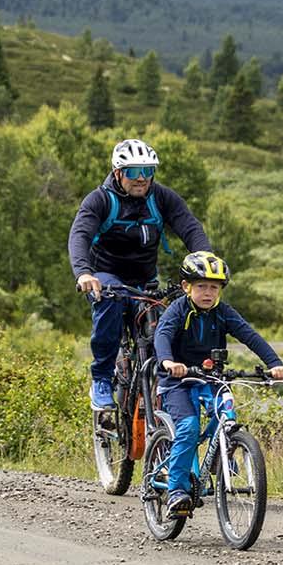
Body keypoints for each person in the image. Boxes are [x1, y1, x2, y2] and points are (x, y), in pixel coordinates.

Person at [67, 138, 212, 426]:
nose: (142, 177)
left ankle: (166, 390)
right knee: (110, 302)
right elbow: (80, 235)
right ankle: (102, 380)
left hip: (145, 280)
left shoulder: (161, 198)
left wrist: (204, 261)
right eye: (133, 171)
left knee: (163, 326)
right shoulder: (99, 200)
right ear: (118, 172)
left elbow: (189, 226)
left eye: (147, 170)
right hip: (105, 277)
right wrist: (84, 273)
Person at [154, 250, 283, 515]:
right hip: (177, 381)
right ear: (186, 287)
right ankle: (177, 490)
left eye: (214, 288)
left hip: (210, 378)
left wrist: (274, 363)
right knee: (189, 426)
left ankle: (220, 456)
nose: (208, 293)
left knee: (227, 414)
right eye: (201, 286)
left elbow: (250, 336)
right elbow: (163, 335)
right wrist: (169, 362)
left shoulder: (223, 312)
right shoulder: (177, 310)